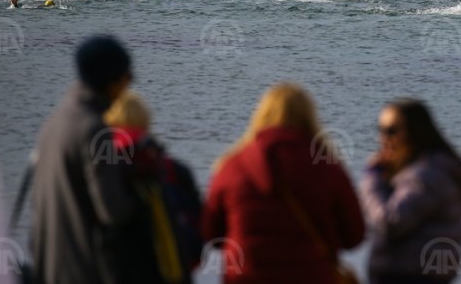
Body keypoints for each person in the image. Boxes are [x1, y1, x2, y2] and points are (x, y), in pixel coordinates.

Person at [202, 83, 365, 283]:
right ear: (309, 119)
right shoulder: (327, 168)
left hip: (246, 277)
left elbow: (211, 233)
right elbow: (354, 236)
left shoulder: (231, 167)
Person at [30, 35, 138, 284]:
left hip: (48, 266)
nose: (128, 86)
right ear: (111, 80)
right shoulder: (95, 131)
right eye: (127, 78)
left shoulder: (55, 122)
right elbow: (112, 209)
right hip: (83, 269)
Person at [361, 99, 461, 284]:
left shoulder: (426, 177)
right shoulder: (430, 170)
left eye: (391, 131)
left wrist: (372, 177)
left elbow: (390, 221)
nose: (383, 139)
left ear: (414, 133)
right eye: (381, 130)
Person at [102, 90, 203, 284]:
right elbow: (199, 232)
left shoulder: (98, 171)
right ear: (146, 121)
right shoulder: (173, 170)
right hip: (169, 273)